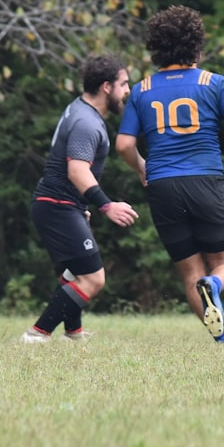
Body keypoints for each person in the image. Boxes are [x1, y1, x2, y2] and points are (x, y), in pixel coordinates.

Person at [115, 6, 224, 344]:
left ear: (156, 49)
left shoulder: (141, 90)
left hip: (163, 187)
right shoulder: (213, 82)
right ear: (196, 46)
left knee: (190, 271)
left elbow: (123, 144)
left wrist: (142, 167)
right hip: (204, 181)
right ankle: (215, 286)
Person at [21, 55, 139, 343]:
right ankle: (37, 335)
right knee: (94, 278)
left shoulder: (80, 109)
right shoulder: (88, 122)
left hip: (61, 205)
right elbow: (77, 171)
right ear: (107, 87)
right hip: (57, 206)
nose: (128, 91)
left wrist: (80, 205)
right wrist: (106, 205)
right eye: (124, 84)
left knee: (77, 273)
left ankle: (72, 333)